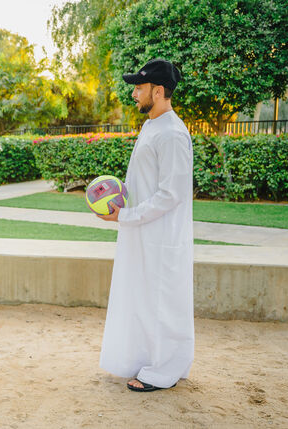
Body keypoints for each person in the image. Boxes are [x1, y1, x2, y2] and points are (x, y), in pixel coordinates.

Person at [97, 59, 194, 392]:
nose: (134, 94)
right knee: (144, 301)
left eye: (139, 88)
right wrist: (120, 200)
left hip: (161, 239)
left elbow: (171, 195)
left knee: (163, 304)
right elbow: (146, 183)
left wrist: (124, 216)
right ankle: (148, 361)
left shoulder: (173, 134)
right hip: (143, 234)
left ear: (159, 90)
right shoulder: (153, 126)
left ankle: (164, 371)